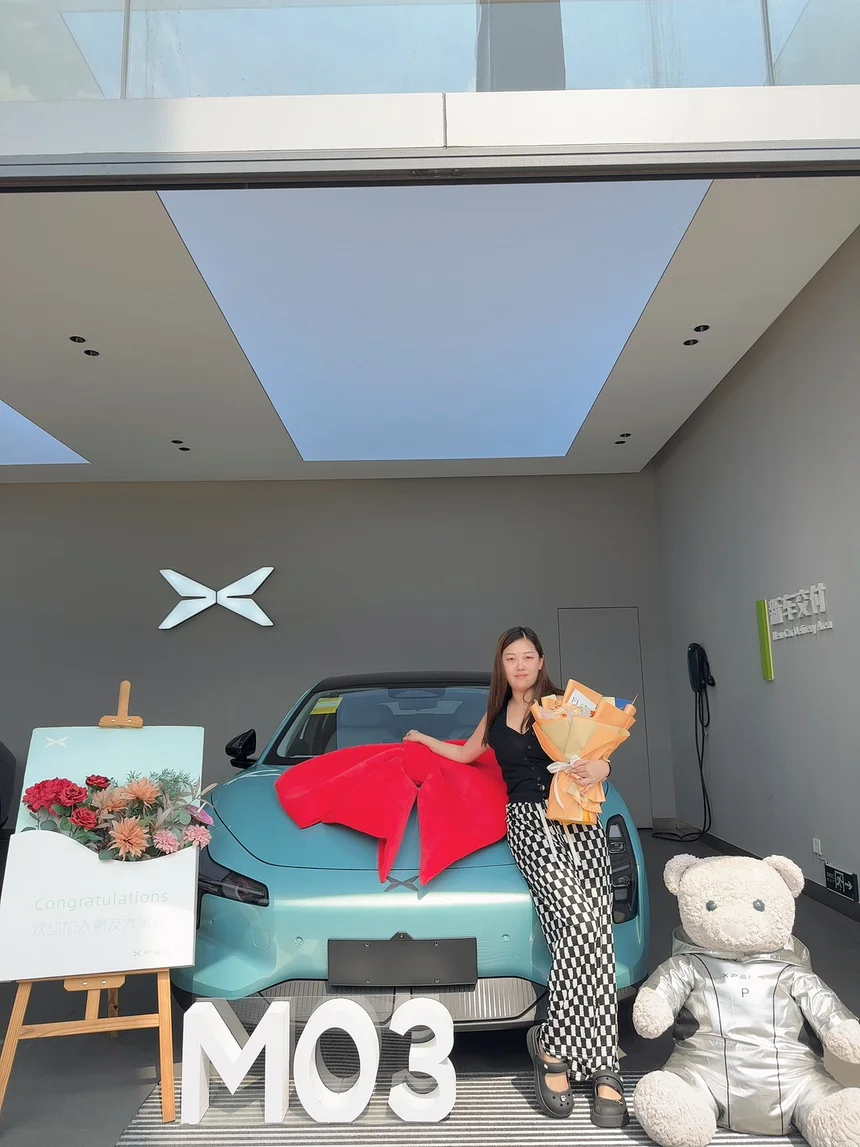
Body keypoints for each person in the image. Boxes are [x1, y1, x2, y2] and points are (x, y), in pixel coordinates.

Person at [404, 626, 627, 1127]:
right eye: (511, 658)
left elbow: (600, 751)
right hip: (529, 825)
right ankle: (561, 1049)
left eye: (528, 657)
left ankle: (592, 1060)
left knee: (595, 937)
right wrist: (422, 739)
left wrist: (604, 770)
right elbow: (464, 754)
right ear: (501, 665)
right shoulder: (494, 715)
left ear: (541, 661)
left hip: (579, 821)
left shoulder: (564, 705)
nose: (521, 666)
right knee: (579, 925)